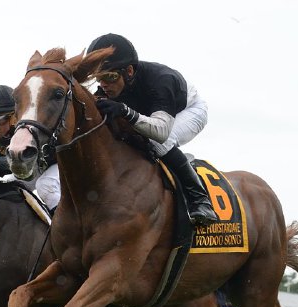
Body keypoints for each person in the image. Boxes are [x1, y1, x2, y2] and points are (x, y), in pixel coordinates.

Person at [87, 33, 218, 226]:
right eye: (99, 78)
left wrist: (126, 111)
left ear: (129, 71)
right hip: (151, 115)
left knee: (158, 141)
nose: (104, 84)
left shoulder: (161, 82)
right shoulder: (110, 87)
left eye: (109, 77)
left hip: (188, 111)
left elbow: (161, 131)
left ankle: (200, 199)